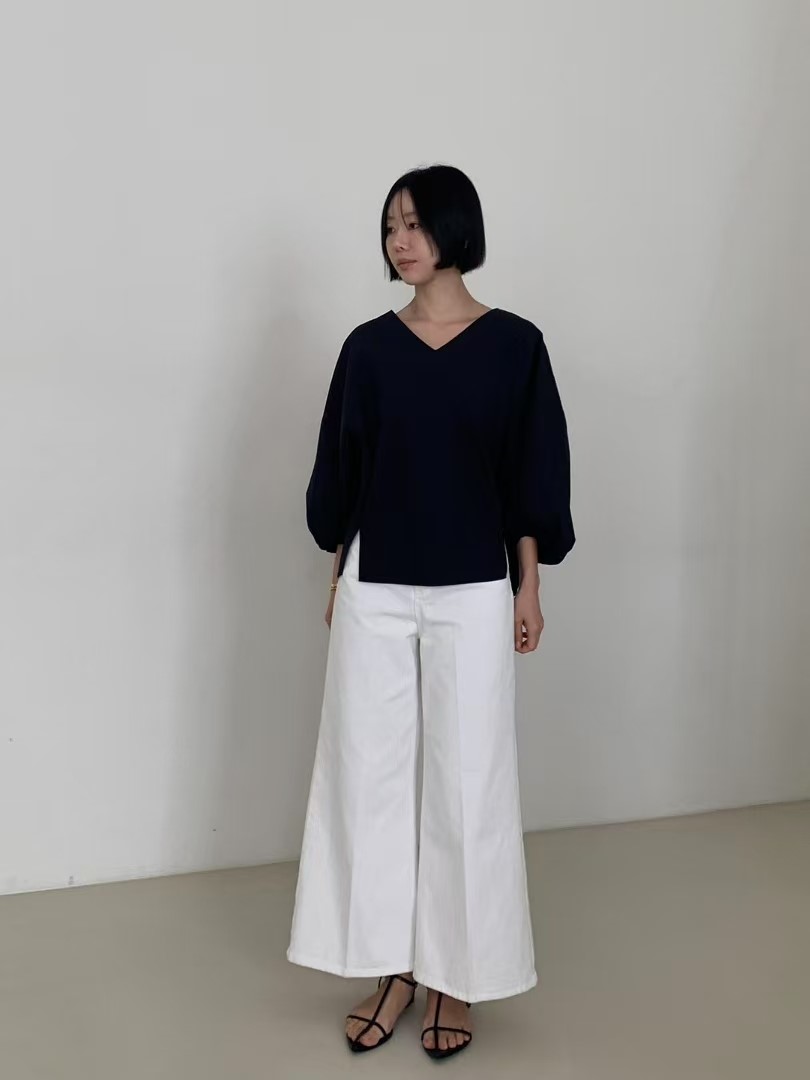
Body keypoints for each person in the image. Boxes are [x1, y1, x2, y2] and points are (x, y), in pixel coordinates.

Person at [287, 163, 575, 1060]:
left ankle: (456, 974)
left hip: (475, 587)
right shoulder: (368, 350)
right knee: (366, 774)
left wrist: (530, 584)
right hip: (376, 584)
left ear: (456, 228)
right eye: (389, 227)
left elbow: (531, 474)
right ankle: (389, 968)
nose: (399, 240)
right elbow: (343, 473)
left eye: (414, 223)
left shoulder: (515, 346)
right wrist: (338, 572)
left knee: (469, 778)